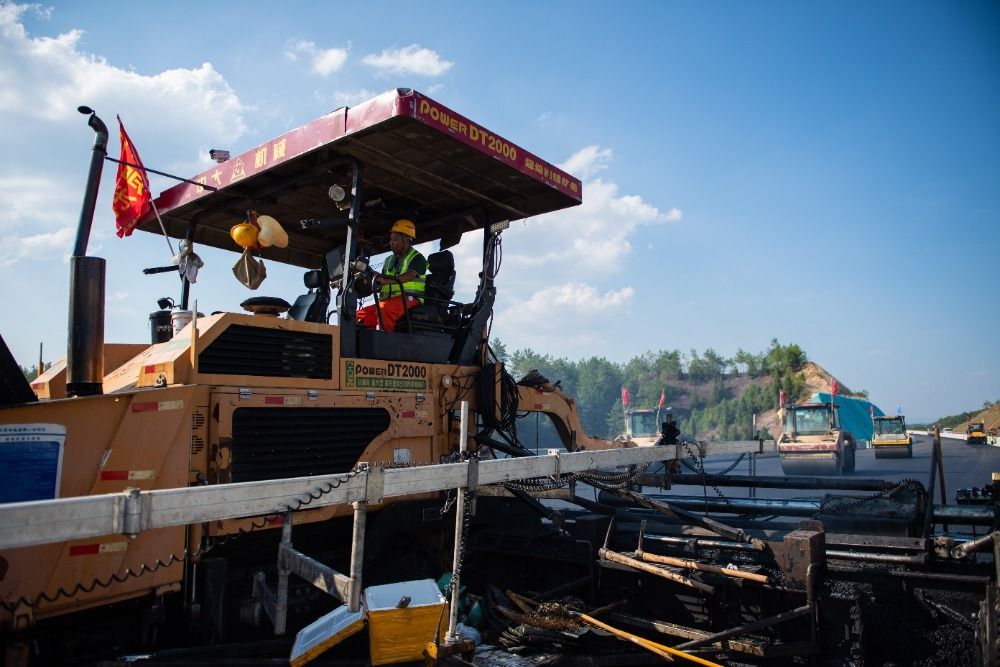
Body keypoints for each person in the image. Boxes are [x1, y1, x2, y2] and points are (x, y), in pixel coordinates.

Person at [356, 219, 426, 331]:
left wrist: (385, 281)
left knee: (384, 309)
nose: (391, 243)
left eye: (395, 240)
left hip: (409, 299)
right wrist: (373, 279)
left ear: (407, 239)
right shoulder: (388, 260)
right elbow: (383, 282)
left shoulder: (417, 258)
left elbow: (409, 276)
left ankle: (383, 342)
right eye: (390, 240)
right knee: (359, 316)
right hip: (388, 301)